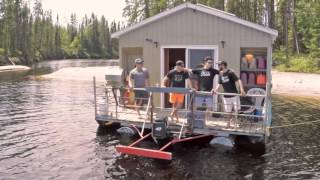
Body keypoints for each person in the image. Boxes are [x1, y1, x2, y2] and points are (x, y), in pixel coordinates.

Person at [213, 60, 245, 128]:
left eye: (219, 65)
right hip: (226, 96)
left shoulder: (230, 72)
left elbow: (239, 80)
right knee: (228, 111)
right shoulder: (220, 74)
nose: (218, 66)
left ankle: (235, 122)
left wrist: (242, 89)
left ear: (223, 65)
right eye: (218, 65)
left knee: (236, 110)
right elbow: (219, 84)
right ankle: (228, 124)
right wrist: (215, 90)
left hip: (234, 95)